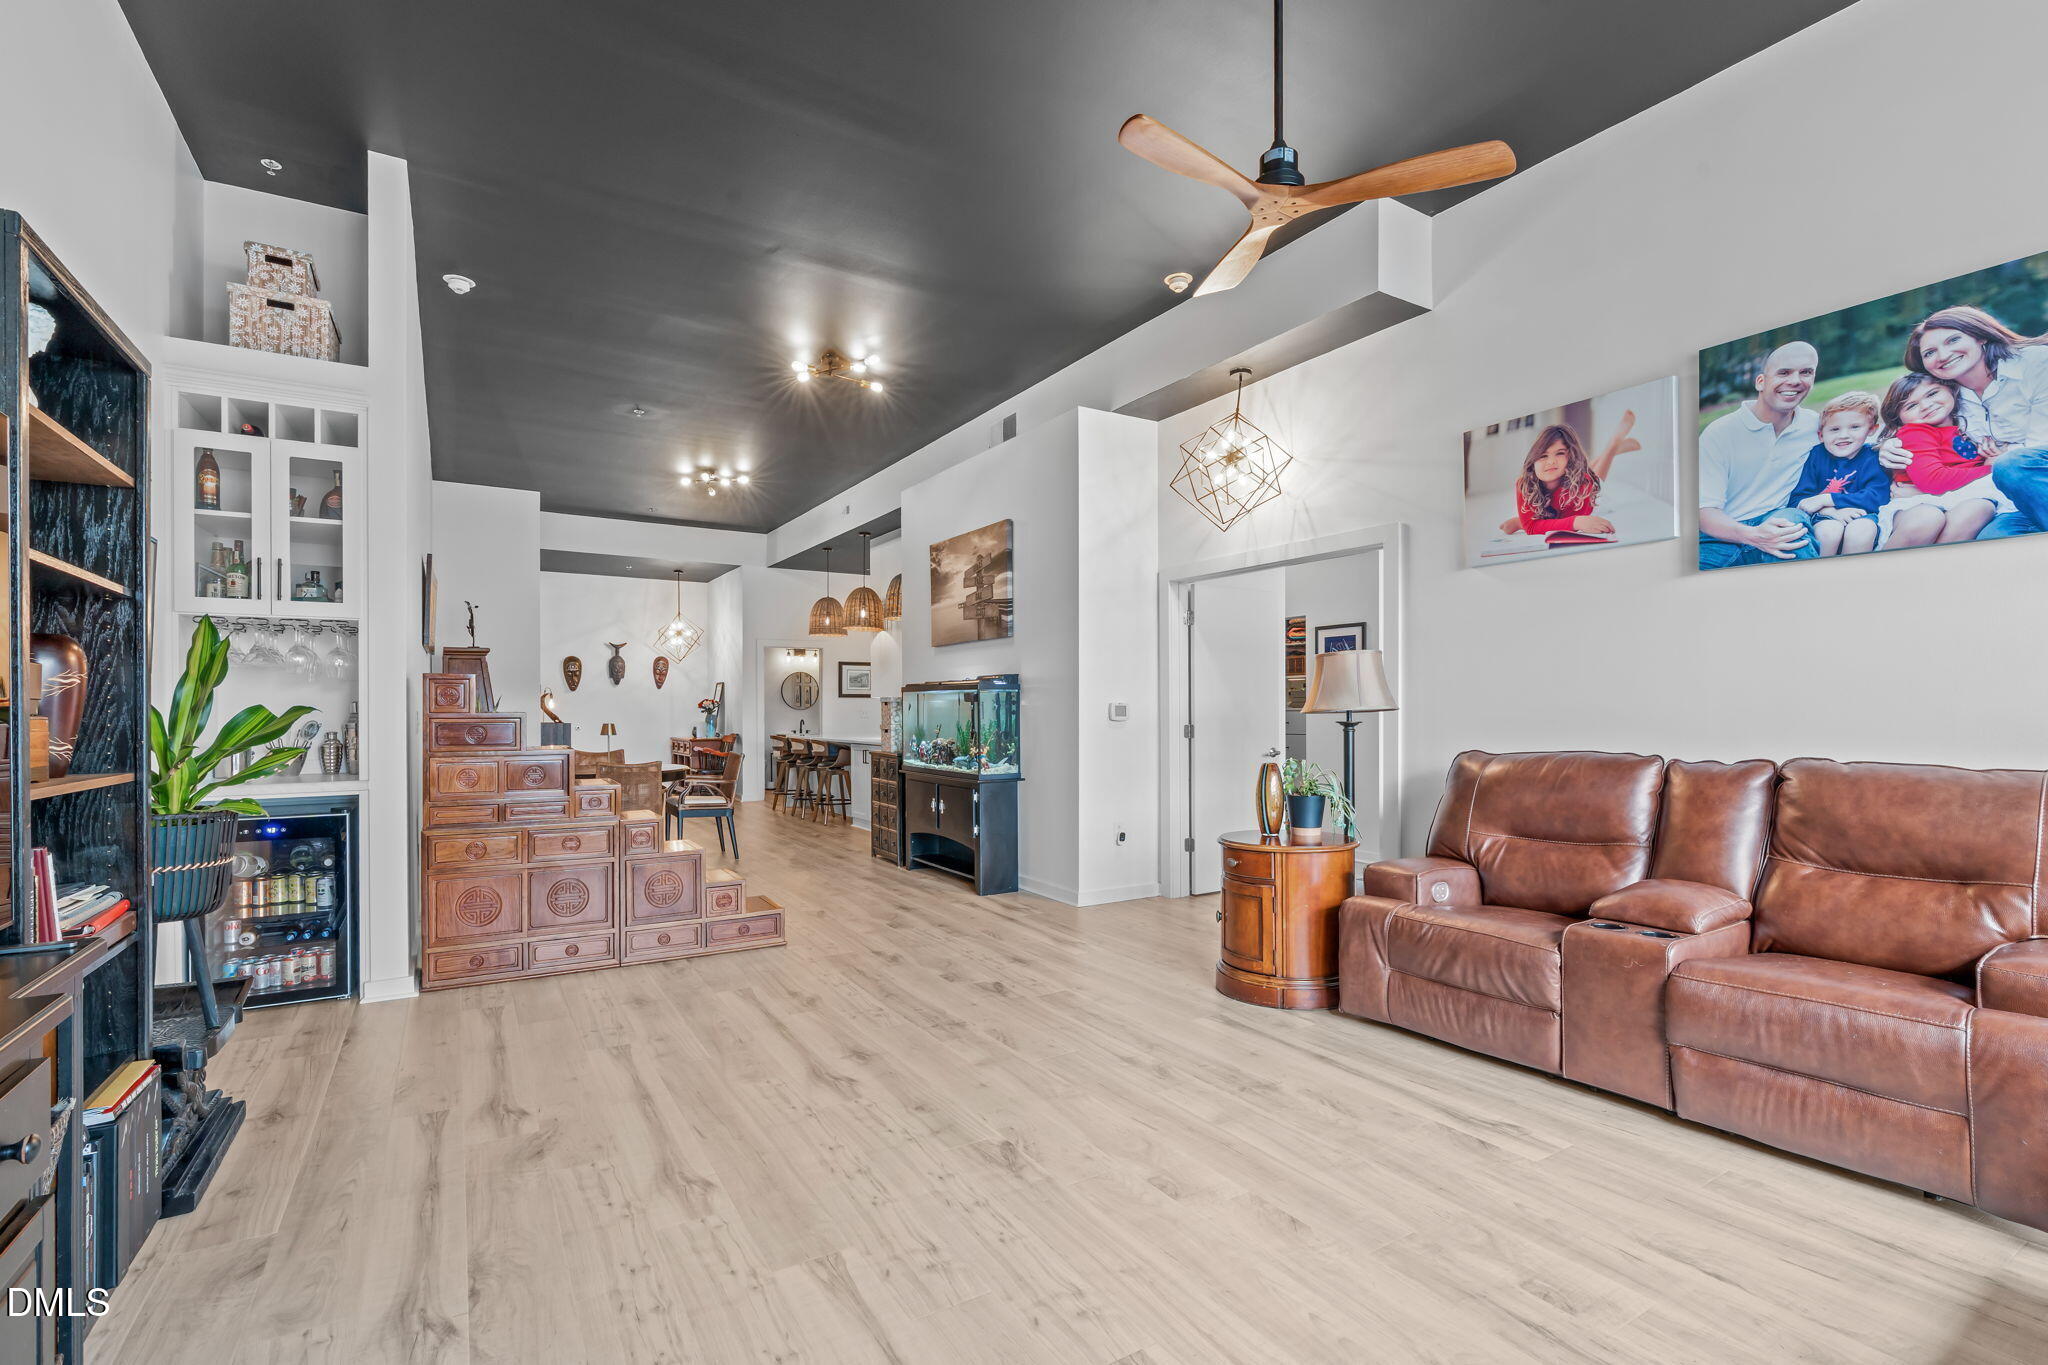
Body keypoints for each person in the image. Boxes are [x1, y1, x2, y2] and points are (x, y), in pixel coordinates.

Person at [1886, 305, 2048, 538]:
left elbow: (2037, 449)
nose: (1942, 356)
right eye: (1929, 352)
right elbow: (1912, 426)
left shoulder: (2035, 363)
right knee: (1990, 538)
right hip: (2015, 498)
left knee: (2012, 465)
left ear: (1980, 336)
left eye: (1953, 340)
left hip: (2035, 474)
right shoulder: (1948, 396)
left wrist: (2003, 457)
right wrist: (1889, 445)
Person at [1697, 341, 1822, 568]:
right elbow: (1705, 512)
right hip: (1721, 536)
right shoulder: (1720, 433)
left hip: (1778, 519)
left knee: (1789, 525)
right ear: (1761, 382)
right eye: (1784, 372)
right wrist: (1753, 535)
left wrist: (1887, 448)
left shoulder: (1816, 426)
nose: (1795, 380)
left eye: (1806, 372)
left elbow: (1861, 442)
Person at [1872, 373, 2014, 548]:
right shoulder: (1915, 432)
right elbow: (1933, 480)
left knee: (1980, 508)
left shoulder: (1966, 424)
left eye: (1932, 394)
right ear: (1898, 418)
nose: (1926, 406)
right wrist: (1992, 468)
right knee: (1928, 518)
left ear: (1950, 389)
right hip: (1917, 503)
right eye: (1911, 406)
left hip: (1962, 495)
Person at [1495, 409, 1641, 537]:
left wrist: (1522, 524)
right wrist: (1524, 524)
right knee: (1584, 472)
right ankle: (1612, 449)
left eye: (1559, 453)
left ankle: (1613, 446)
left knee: (1594, 478)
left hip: (1584, 495)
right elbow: (1532, 526)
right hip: (1564, 490)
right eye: (1543, 456)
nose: (1551, 461)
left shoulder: (1580, 483)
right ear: (1532, 462)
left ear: (1569, 457)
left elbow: (1568, 519)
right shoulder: (1524, 483)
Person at [1788, 391, 1888, 556]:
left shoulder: (1874, 456)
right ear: (1821, 435)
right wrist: (1831, 512)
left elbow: (1878, 497)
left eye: (1855, 427)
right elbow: (1799, 501)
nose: (1843, 435)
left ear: (1871, 429)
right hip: (1824, 517)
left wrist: (1827, 499)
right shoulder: (1816, 455)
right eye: (1834, 429)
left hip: (1865, 516)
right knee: (1829, 530)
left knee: (1861, 530)